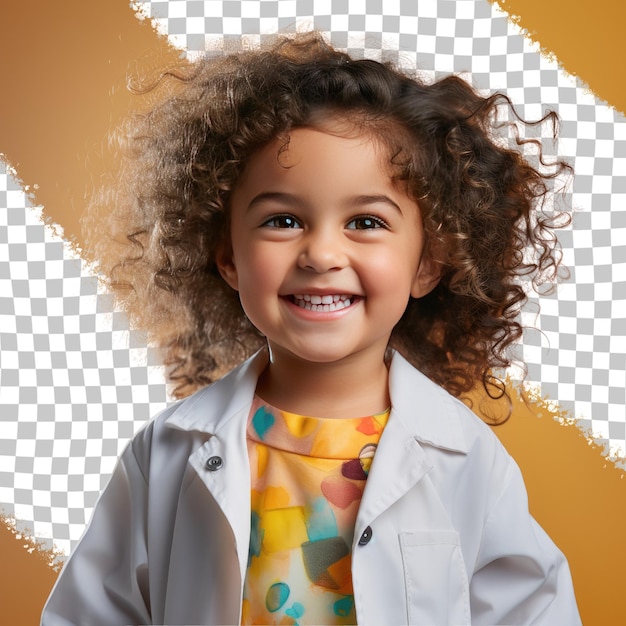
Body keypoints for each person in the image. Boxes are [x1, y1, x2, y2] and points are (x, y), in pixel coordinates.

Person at [41, 32, 581, 625]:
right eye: (284, 219)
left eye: (367, 221)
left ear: (429, 262)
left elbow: (533, 613)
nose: (322, 252)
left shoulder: (466, 458)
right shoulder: (166, 453)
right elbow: (91, 614)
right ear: (227, 255)